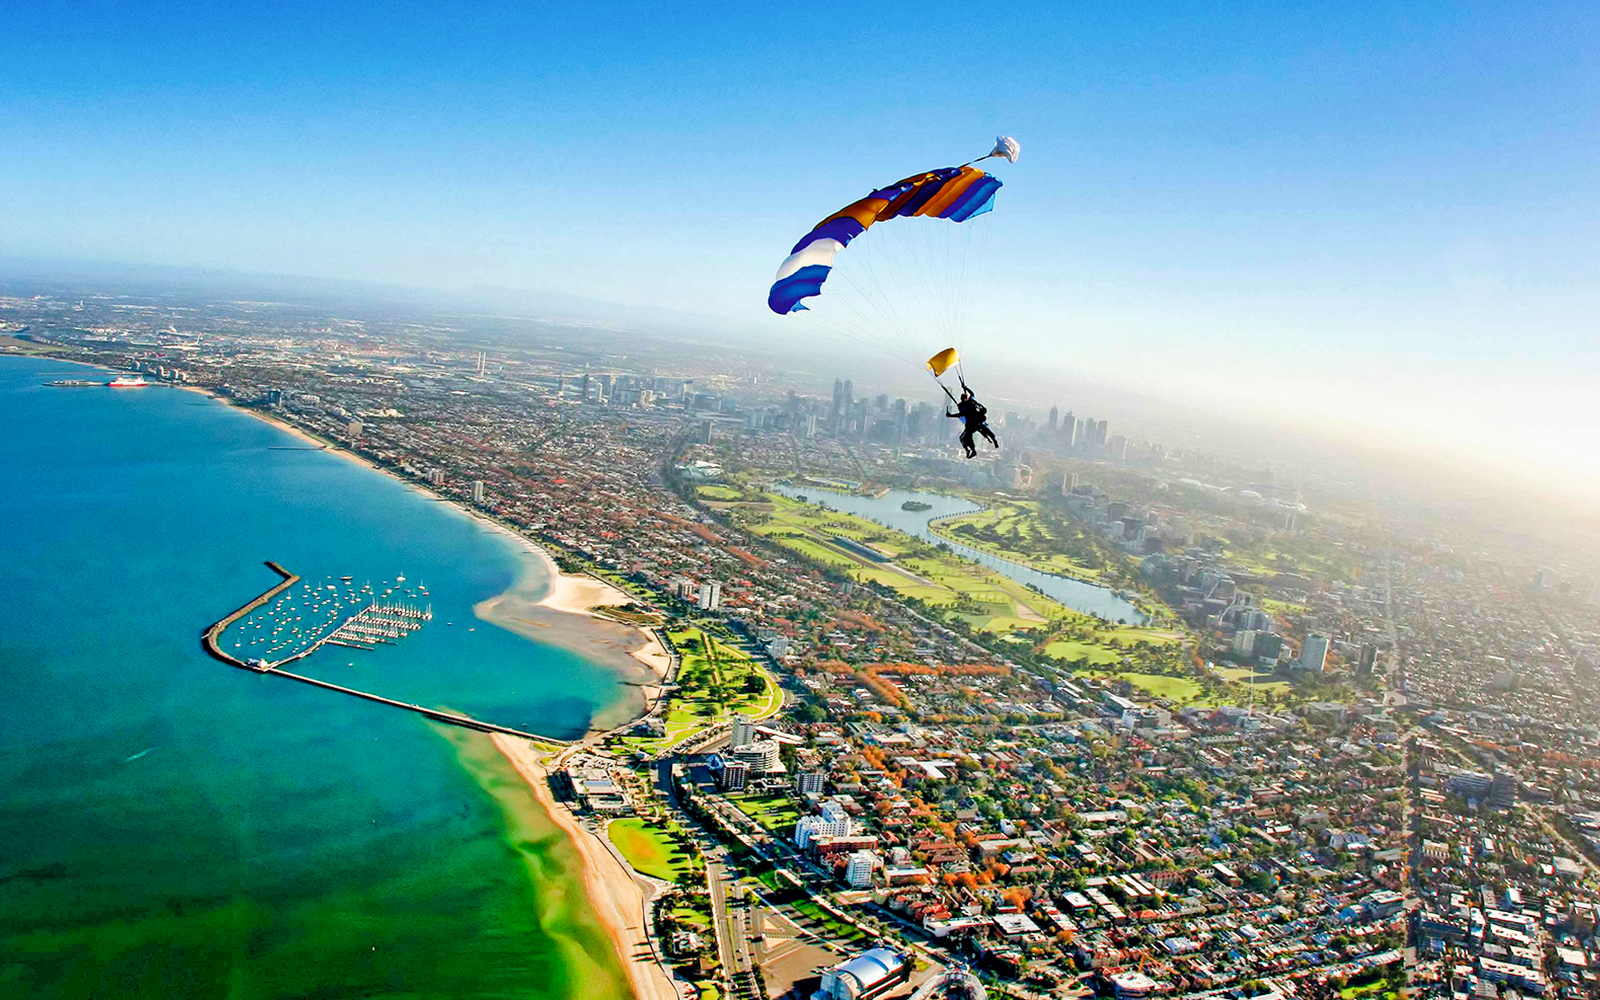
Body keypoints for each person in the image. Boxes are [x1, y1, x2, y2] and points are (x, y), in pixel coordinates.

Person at [946, 387, 999, 458]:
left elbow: (960, 414)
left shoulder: (964, 405)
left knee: (965, 437)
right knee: (979, 431)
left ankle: (971, 450)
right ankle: (971, 450)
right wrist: (965, 388)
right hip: (976, 423)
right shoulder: (969, 402)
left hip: (972, 424)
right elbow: (972, 394)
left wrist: (950, 415)